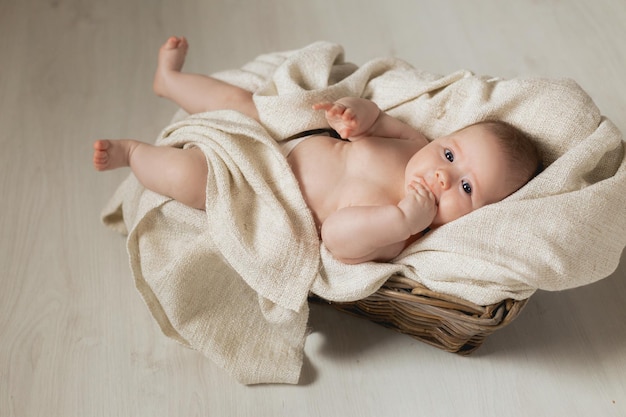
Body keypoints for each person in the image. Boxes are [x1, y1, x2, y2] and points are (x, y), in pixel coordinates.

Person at [93, 36, 542, 264]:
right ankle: (170, 81)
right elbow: (378, 121)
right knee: (241, 104)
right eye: (450, 155)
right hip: (284, 140)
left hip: (263, 192)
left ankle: (135, 155)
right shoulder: (415, 145)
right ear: (441, 141)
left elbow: (338, 240)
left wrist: (404, 218)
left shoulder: (400, 234)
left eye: (466, 187)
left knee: (196, 179)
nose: (444, 176)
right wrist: (357, 116)